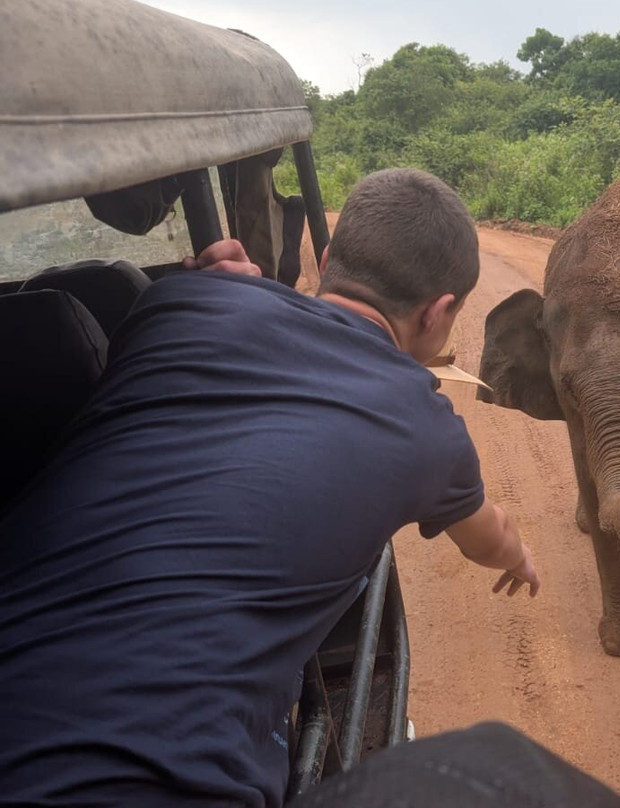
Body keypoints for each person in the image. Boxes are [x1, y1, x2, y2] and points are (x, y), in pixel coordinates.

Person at [0, 168, 539, 807]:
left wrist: (198, 282)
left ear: (326, 259)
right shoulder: (425, 424)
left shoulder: (173, 303)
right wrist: (518, 557)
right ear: (441, 312)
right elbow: (488, 537)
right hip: (156, 780)